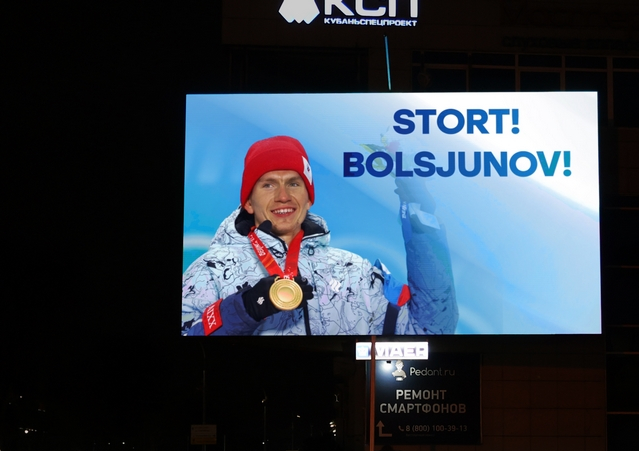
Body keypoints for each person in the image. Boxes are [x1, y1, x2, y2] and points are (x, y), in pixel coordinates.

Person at [181, 135, 457, 336]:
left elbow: (429, 329)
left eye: (294, 183)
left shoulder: (354, 272)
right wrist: (246, 308)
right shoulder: (210, 270)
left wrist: (422, 221)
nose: (283, 196)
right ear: (249, 203)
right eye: (268, 185)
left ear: (308, 198)